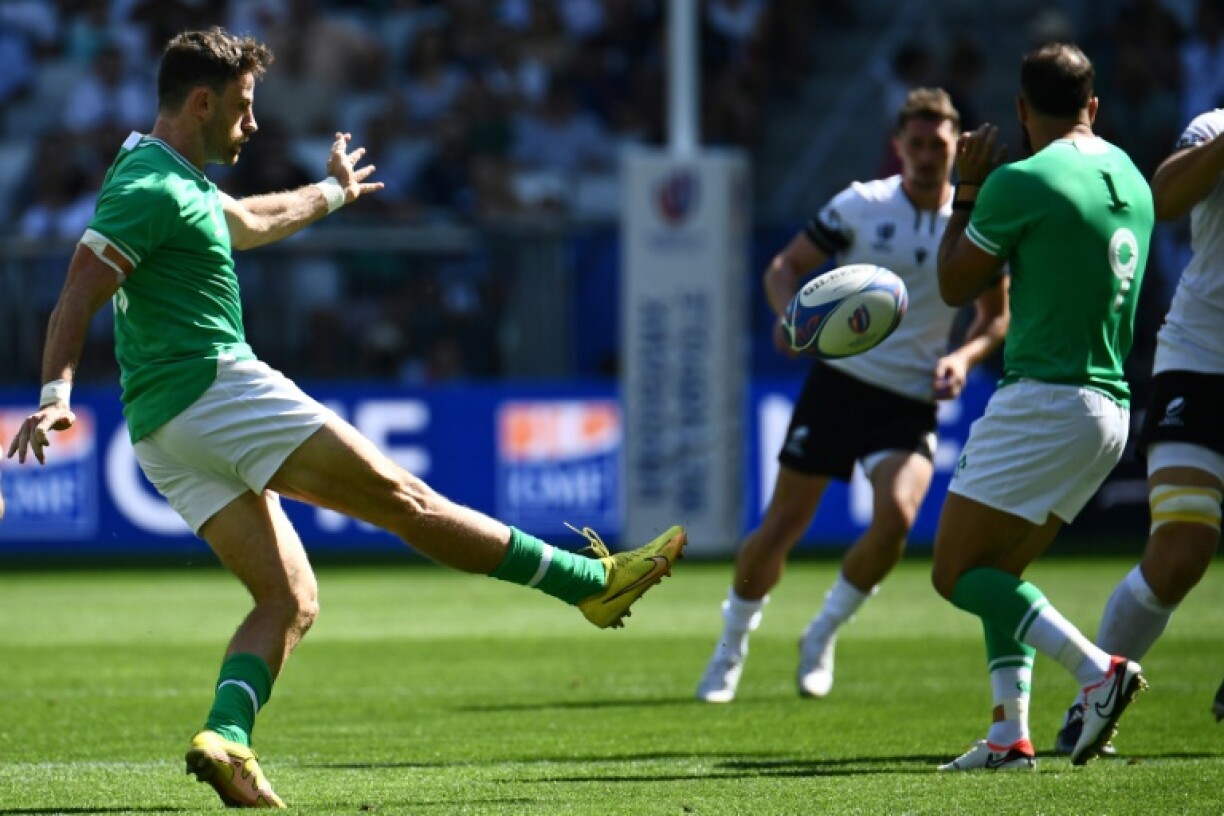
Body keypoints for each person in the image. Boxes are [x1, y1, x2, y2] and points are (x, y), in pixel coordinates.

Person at [5, 27, 686, 809]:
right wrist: (55, 393)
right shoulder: (151, 187)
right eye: (242, 107)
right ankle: (589, 583)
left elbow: (252, 222)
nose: (252, 124)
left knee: (290, 599)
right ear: (202, 101)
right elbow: (76, 289)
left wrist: (331, 193)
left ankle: (226, 735)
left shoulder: (169, 178)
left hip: (162, 429)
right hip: (215, 389)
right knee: (407, 501)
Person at [695, 88, 1009, 704]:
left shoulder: (972, 224)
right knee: (782, 525)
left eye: (937, 145)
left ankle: (822, 633)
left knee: (896, 519)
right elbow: (784, 267)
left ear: (955, 147)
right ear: (898, 146)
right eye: (914, 144)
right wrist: (791, 320)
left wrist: (963, 357)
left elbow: (996, 317)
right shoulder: (862, 205)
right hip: (838, 386)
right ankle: (730, 645)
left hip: (910, 398)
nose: (924, 155)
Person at [931, 42, 1153, 772]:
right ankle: (1008, 735)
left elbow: (955, 285)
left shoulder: (1019, 180)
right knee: (1002, 574)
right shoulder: (1131, 176)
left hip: (1045, 398)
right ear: (1094, 106)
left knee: (956, 572)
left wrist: (966, 189)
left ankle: (1098, 670)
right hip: (1111, 408)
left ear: (1022, 111)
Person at [1053, 106, 1224, 753]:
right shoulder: (1213, 126)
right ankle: (1091, 699)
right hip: (1204, 359)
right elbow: (1166, 197)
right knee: (1181, 551)